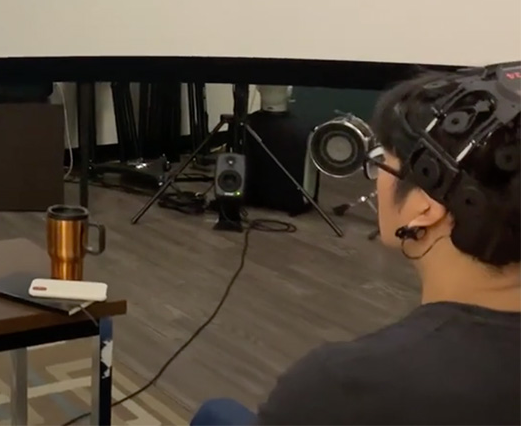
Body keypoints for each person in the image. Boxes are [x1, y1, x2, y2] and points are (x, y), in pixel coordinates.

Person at [193, 66, 521, 426]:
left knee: (215, 414)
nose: (378, 171)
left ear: (424, 208)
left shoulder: (344, 386)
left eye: (383, 160)